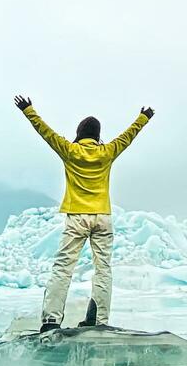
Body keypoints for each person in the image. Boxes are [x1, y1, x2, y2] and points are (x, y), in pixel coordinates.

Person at [13, 95, 154, 332]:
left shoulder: (70, 150)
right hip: (102, 216)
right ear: (98, 134)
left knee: (63, 267)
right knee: (103, 268)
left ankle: (51, 320)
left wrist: (28, 110)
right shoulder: (108, 151)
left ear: (80, 131)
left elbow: (45, 132)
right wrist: (144, 117)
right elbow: (129, 136)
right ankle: (98, 320)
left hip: (77, 216)